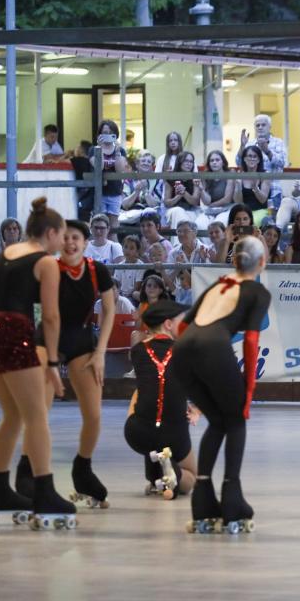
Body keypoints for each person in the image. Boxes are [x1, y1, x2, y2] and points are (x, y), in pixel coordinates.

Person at [0, 197, 75, 530]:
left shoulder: (5, 254)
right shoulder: (46, 262)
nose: (64, 243)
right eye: (62, 235)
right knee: (36, 416)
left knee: (13, 415)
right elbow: (51, 316)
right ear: (50, 233)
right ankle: (44, 490)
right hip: (12, 331)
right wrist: (52, 362)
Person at [172, 236, 272, 534]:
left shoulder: (218, 285)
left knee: (218, 421)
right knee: (236, 420)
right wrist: (249, 390)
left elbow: (182, 326)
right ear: (262, 262)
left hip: (182, 352)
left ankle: (203, 501)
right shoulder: (257, 291)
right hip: (213, 348)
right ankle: (232, 499)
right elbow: (251, 341)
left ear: (235, 261)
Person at [23, 219, 116, 509]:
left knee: (94, 415)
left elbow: (109, 309)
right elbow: (36, 311)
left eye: (75, 238)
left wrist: (100, 352)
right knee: (39, 413)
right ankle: (28, 472)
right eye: (65, 237)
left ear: (85, 243)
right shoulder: (47, 268)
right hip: (46, 339)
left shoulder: (97, 270)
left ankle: (83, 468)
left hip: (81, 340)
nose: (70, 243)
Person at [125, 300, 199, 500]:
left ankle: (156, 478)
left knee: (143, 403)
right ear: (168, 324)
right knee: (192, 476)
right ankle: (174, 472)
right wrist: (196, 409)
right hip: (174, 433)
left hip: (138, 433)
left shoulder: (137, 351)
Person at [237, 114, 286, 209]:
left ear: (269, 127)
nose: (260, 127)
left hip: (274, 190)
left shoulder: (278, 142)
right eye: (257, 125)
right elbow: (238, 162)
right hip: (251, 188)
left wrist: (267, 151)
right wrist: (242, 146)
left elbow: (282, 162)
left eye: (263, 125)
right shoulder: (249, 143)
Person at [94, 119, 129, 230]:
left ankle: (114, 242)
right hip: (100, 192)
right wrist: (100, 148)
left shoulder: (121, 151)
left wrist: (117, 152)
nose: (108, 135)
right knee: (101, 224)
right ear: (100, 134)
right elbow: (99, 167)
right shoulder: (94, 150)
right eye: (105, 133)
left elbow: (119, 170)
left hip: (115, 191)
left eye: (110, 133)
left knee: (113, 226)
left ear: (115, 135)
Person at [120, 150, 162, 224]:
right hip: (130, 214)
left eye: (149, 162)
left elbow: (155, 205)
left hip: (150, 215)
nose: (146, 163)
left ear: (152, 166)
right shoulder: (128, 179)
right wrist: (136, 191)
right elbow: (124, 205)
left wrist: (145, 190)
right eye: (143, 161)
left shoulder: (157, 180)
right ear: (137, 164)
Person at [163, 151, 203, 227]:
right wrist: (178, 196)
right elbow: (167, 203)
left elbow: (195, 201)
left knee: (197, 219)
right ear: (179, 162)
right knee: (178, 211)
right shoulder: (171, 178)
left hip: (192, 210)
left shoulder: (195, 178)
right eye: (186, 161)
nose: (189, 164)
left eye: (191, 162)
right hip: (174, 210)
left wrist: (184, 193)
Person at [233, 145, 271, 216]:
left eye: (255, 156)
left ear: (259, 160)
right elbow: (238, 202)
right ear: (244, 159)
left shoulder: (265, 175)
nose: (252, 159)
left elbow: (263, 200)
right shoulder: (240, 175)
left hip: (260, 211)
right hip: (243, 212)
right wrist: (238, 187)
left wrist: (255, 188)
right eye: (249, 156)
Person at [200, 150, 235, 218]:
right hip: (211, 209)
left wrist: (211, 206)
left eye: (217, 160)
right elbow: (207, 201)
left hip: (227, 208)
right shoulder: (205, 177)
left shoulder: (230, 174)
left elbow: (227, 199)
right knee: (200, 222)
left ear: (223, 162)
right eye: (212, 160)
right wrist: (201, 190)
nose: (214, 162)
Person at [70, 140, 95, 222]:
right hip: (89, 195)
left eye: (77, 147)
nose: (75, 149)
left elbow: (59, 163)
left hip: (80, 193)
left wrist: (65, 156)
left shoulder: (77, 160)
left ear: (81, 150)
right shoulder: (90, 162)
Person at [114, 235, 142, 301]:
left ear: (137, 251)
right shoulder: (119, 265)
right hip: (120, 295)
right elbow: (116, 283)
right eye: (125, 247)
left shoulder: (141, 266)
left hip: (132, 297)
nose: (127, 250)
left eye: (131, 248)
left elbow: (137, 286)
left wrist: (127, 297)